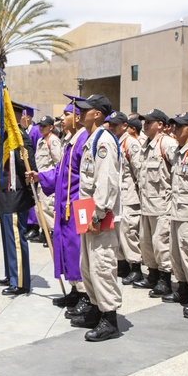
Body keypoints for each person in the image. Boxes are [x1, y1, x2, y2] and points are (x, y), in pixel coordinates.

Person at [73, 95, 122, 341]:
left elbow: (106, 181)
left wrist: (99, 213)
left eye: (84, 109)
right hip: (87, 210)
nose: (78, 113)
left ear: (98, 114)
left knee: (102, 265)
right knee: (88, 265)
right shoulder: (90, 140)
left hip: (99, 214)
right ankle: (95, 308)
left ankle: (109, 318)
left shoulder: (104, 141)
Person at [36, 96, 89, 310]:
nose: (62, 118)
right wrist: (39, 177)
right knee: (67, 249)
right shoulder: (71, 139)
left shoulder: (83, 139)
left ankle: (86, 295)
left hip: (77, 205)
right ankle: (75, 291)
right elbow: (61, 171)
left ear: (78, 117)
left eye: (66, 114)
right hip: (66, 206)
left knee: (78, 251)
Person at [0, 102, 38, 296]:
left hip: (16, 193)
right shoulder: (3, 137)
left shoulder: (20, 138)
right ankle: (11, 273)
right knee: (7, 237)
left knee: (16, 238)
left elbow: (28, 166)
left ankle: (20, 281)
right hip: (5, 192)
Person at [135, 109, 177, 296]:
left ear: (160, 124)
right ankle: (152, 275)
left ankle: (164, 279)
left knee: (162, 245)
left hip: (162, 205)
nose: (145, 125)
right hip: (146, 204)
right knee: (146, 243)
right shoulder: (146, 145)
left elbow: (179, 172)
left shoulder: (167, 143)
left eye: (149, 122)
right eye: (144, 122)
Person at [164, 112, 188, 306]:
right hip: (176, 210)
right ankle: (183, 287)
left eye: (179, 126)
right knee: (176, 254)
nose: (174, 129)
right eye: (173, 126)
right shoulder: (178, 151)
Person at [107, 112, 144, 284]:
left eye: (115, 125)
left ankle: (135, 267)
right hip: (117, 195)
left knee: (128, 232)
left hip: (129, 195)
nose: (111, 127)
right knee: (117, 231)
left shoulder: (131, 143)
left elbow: (139, 171)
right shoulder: (113, 142)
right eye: (110, 124)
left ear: (125, 126)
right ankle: (122, 264)